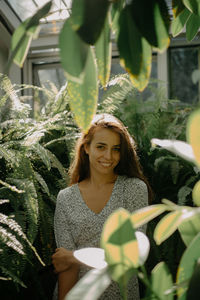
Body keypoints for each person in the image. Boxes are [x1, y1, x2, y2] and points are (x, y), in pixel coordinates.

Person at [52, 113, 152, 300]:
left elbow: (131, 255)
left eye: (116, 149)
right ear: (86, 147)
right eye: (101, 147)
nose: (109, 156)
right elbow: (65, 268)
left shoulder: (133, 189)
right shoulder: (66, 198)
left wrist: (74, 257)